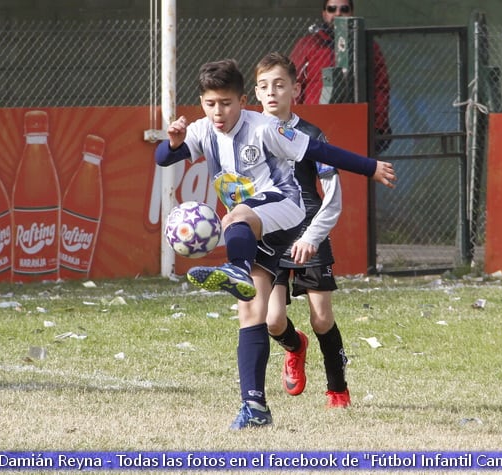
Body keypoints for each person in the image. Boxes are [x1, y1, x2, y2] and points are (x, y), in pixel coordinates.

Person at [154, 59, 395, 430]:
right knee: (253, 313)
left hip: (287, 210)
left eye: (227, 103)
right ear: (202, 102)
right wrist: (171, 144)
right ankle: (255, 407)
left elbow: (322, 153)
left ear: (242, 100)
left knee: (236, 217)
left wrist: (369, 166)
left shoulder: (266, 127)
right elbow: (163, 157)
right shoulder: (203, 130)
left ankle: (237, 270)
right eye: (210, 103)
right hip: (252, 228)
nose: (219, 112)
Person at [254, 52, 351, 408]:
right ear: (255, 91)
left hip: (309, 230)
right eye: (264, 86)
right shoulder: (247, 134)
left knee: (322, 317)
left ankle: (337, 389)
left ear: (295, 89)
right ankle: (295, 347)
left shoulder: (310, 135)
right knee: (272, 319)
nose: (272, 92)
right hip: (269, 235)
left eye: (280, 85)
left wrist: (312, 236)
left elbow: (333, 195)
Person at [290, 0, 391, 146]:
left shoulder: (367, 46)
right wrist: (296, 121)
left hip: (356, 123)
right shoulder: (309, 45)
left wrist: (378, 126)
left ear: (352, 12)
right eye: (332, 9)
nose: (338, 13)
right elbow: (293, 83)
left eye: (344, 9)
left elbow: (380, 87)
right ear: (324, 14)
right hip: (315, 123)